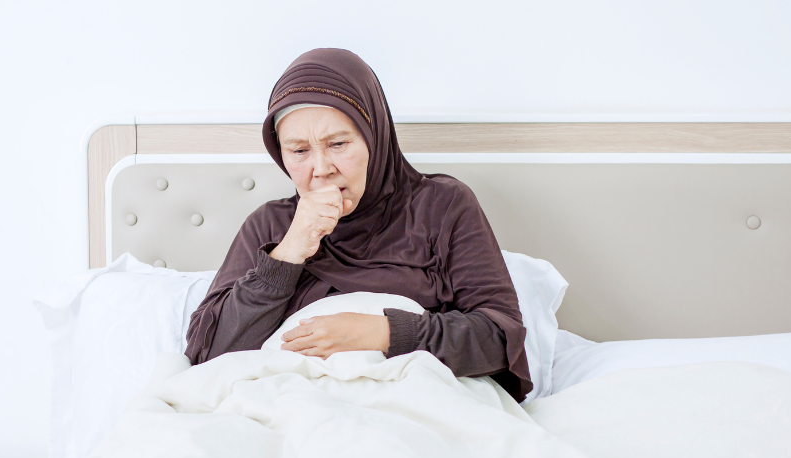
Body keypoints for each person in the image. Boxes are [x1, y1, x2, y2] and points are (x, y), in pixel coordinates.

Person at [185, 48, 533, 401]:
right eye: (299, 151)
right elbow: (209, 356)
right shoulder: (270, 225)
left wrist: (382, 332)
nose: (321, 168)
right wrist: (290, 251)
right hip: (292, 404)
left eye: (337, 144)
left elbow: (500, 340)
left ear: (374, 137)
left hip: (410, 402)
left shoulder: (442, 206)